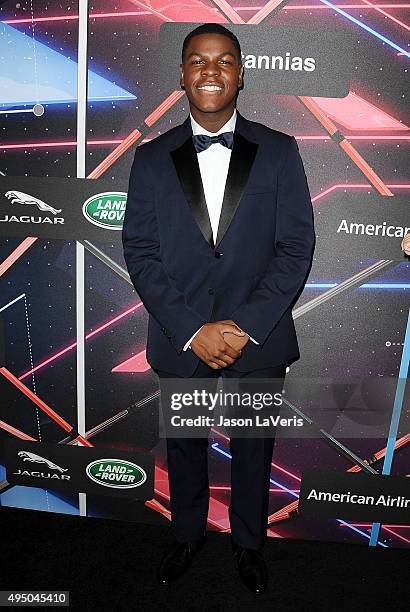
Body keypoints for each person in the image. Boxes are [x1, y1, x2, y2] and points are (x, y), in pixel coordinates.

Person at [122, 22, 315, 594]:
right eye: (199, 61)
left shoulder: (280, 151)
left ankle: (249, 546)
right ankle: (186, 537)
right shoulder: (151, 159)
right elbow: (141, 250)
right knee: (183, 449)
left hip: (258, 339)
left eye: (225, 60)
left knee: (254, 451)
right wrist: (190, 330)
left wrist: (246, 326)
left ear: (241, 74)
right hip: (180, 337)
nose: (211, 71)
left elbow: (296, 246)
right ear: (181, 75)